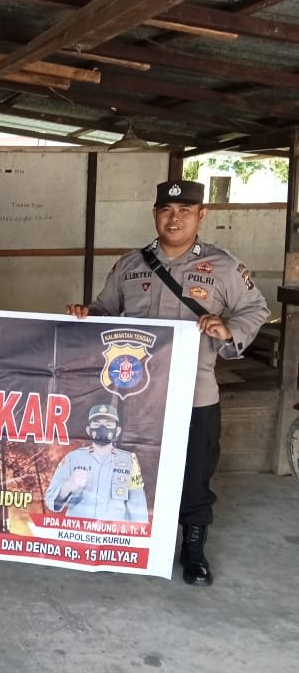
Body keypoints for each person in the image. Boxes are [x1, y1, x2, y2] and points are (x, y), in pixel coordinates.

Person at [66, 178, 270, 586]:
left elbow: (256, 308)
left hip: (194, 395)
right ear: (155, 214)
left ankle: (193, 550)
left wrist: (228, 330)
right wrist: (86, 313)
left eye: (185, 211)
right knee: (133, 472)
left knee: (195, 476)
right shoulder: (130, 265)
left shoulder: (222, 266)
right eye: (166, 210)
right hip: (135, 398)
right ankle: (129, 541)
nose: (174, 218)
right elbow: (105, 310)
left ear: (201, 215)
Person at [45, 402, 148, 522]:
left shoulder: (129, 460)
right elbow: (50, 501)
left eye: (108, 424)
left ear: (117, 431)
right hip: (78, 530)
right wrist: (68, 485)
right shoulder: (73, 458)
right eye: (97, 424)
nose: (102, 428)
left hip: (112, 531)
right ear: (88, 430)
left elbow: (138, 508)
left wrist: (139, 531)